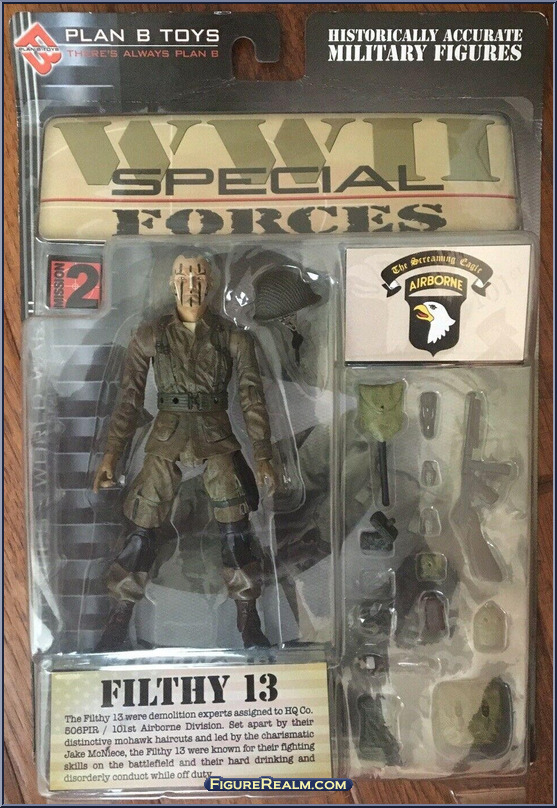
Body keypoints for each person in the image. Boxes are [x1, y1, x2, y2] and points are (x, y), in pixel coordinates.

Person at [93, 253, 277, 651]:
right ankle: (120, 614)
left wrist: (263, 455)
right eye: (183, 275)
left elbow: (252, 398)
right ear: (171, 281)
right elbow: (128, 400)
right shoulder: (151, 335)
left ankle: (248, 615)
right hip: (167, 435)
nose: (191, 284)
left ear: (210, 283)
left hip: (216, 435)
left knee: (236, 527)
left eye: (198, 276)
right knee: (141, 524)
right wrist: (111, 454)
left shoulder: (232, 337)